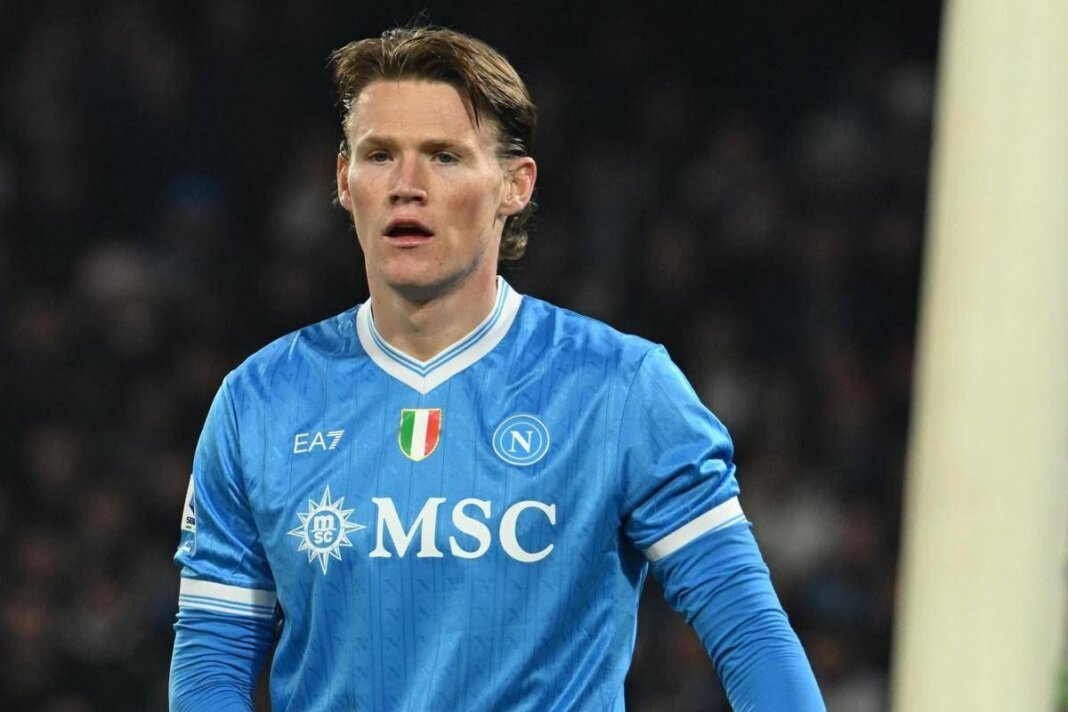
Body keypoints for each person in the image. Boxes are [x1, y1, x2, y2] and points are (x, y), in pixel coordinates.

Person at [169, 25, 824, 711]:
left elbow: (749, 633)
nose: (406, 186)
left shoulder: (620, 390)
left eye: (444, 156)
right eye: (379, 155)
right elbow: (212, 660)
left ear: (514, 185)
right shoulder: (258, 403)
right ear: (344, 180)